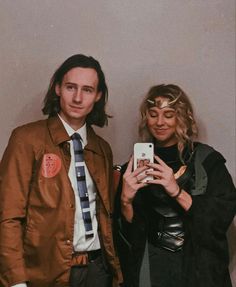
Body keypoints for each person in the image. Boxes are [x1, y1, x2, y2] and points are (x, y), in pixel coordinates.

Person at [0, 54, 122, 287]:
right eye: (70, 87)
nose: (77, 98)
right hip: (46, 273)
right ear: (57, 88)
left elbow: (105, 216)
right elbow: (8, 216)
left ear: (97, 96)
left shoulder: (101, 148)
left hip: (97, 271)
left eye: (87, 90)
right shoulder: (26, 139)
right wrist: (15, 280)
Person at [114, 84, 236, 287]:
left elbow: (221, 216)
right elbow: (128, 235)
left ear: (182, 118)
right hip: (152, 267)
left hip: (197, 267)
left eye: (168, 115)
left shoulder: (207, 161)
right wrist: (125, 200)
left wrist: (176, 191)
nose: (159, 122)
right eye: (153, 114)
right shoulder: (135, 167)